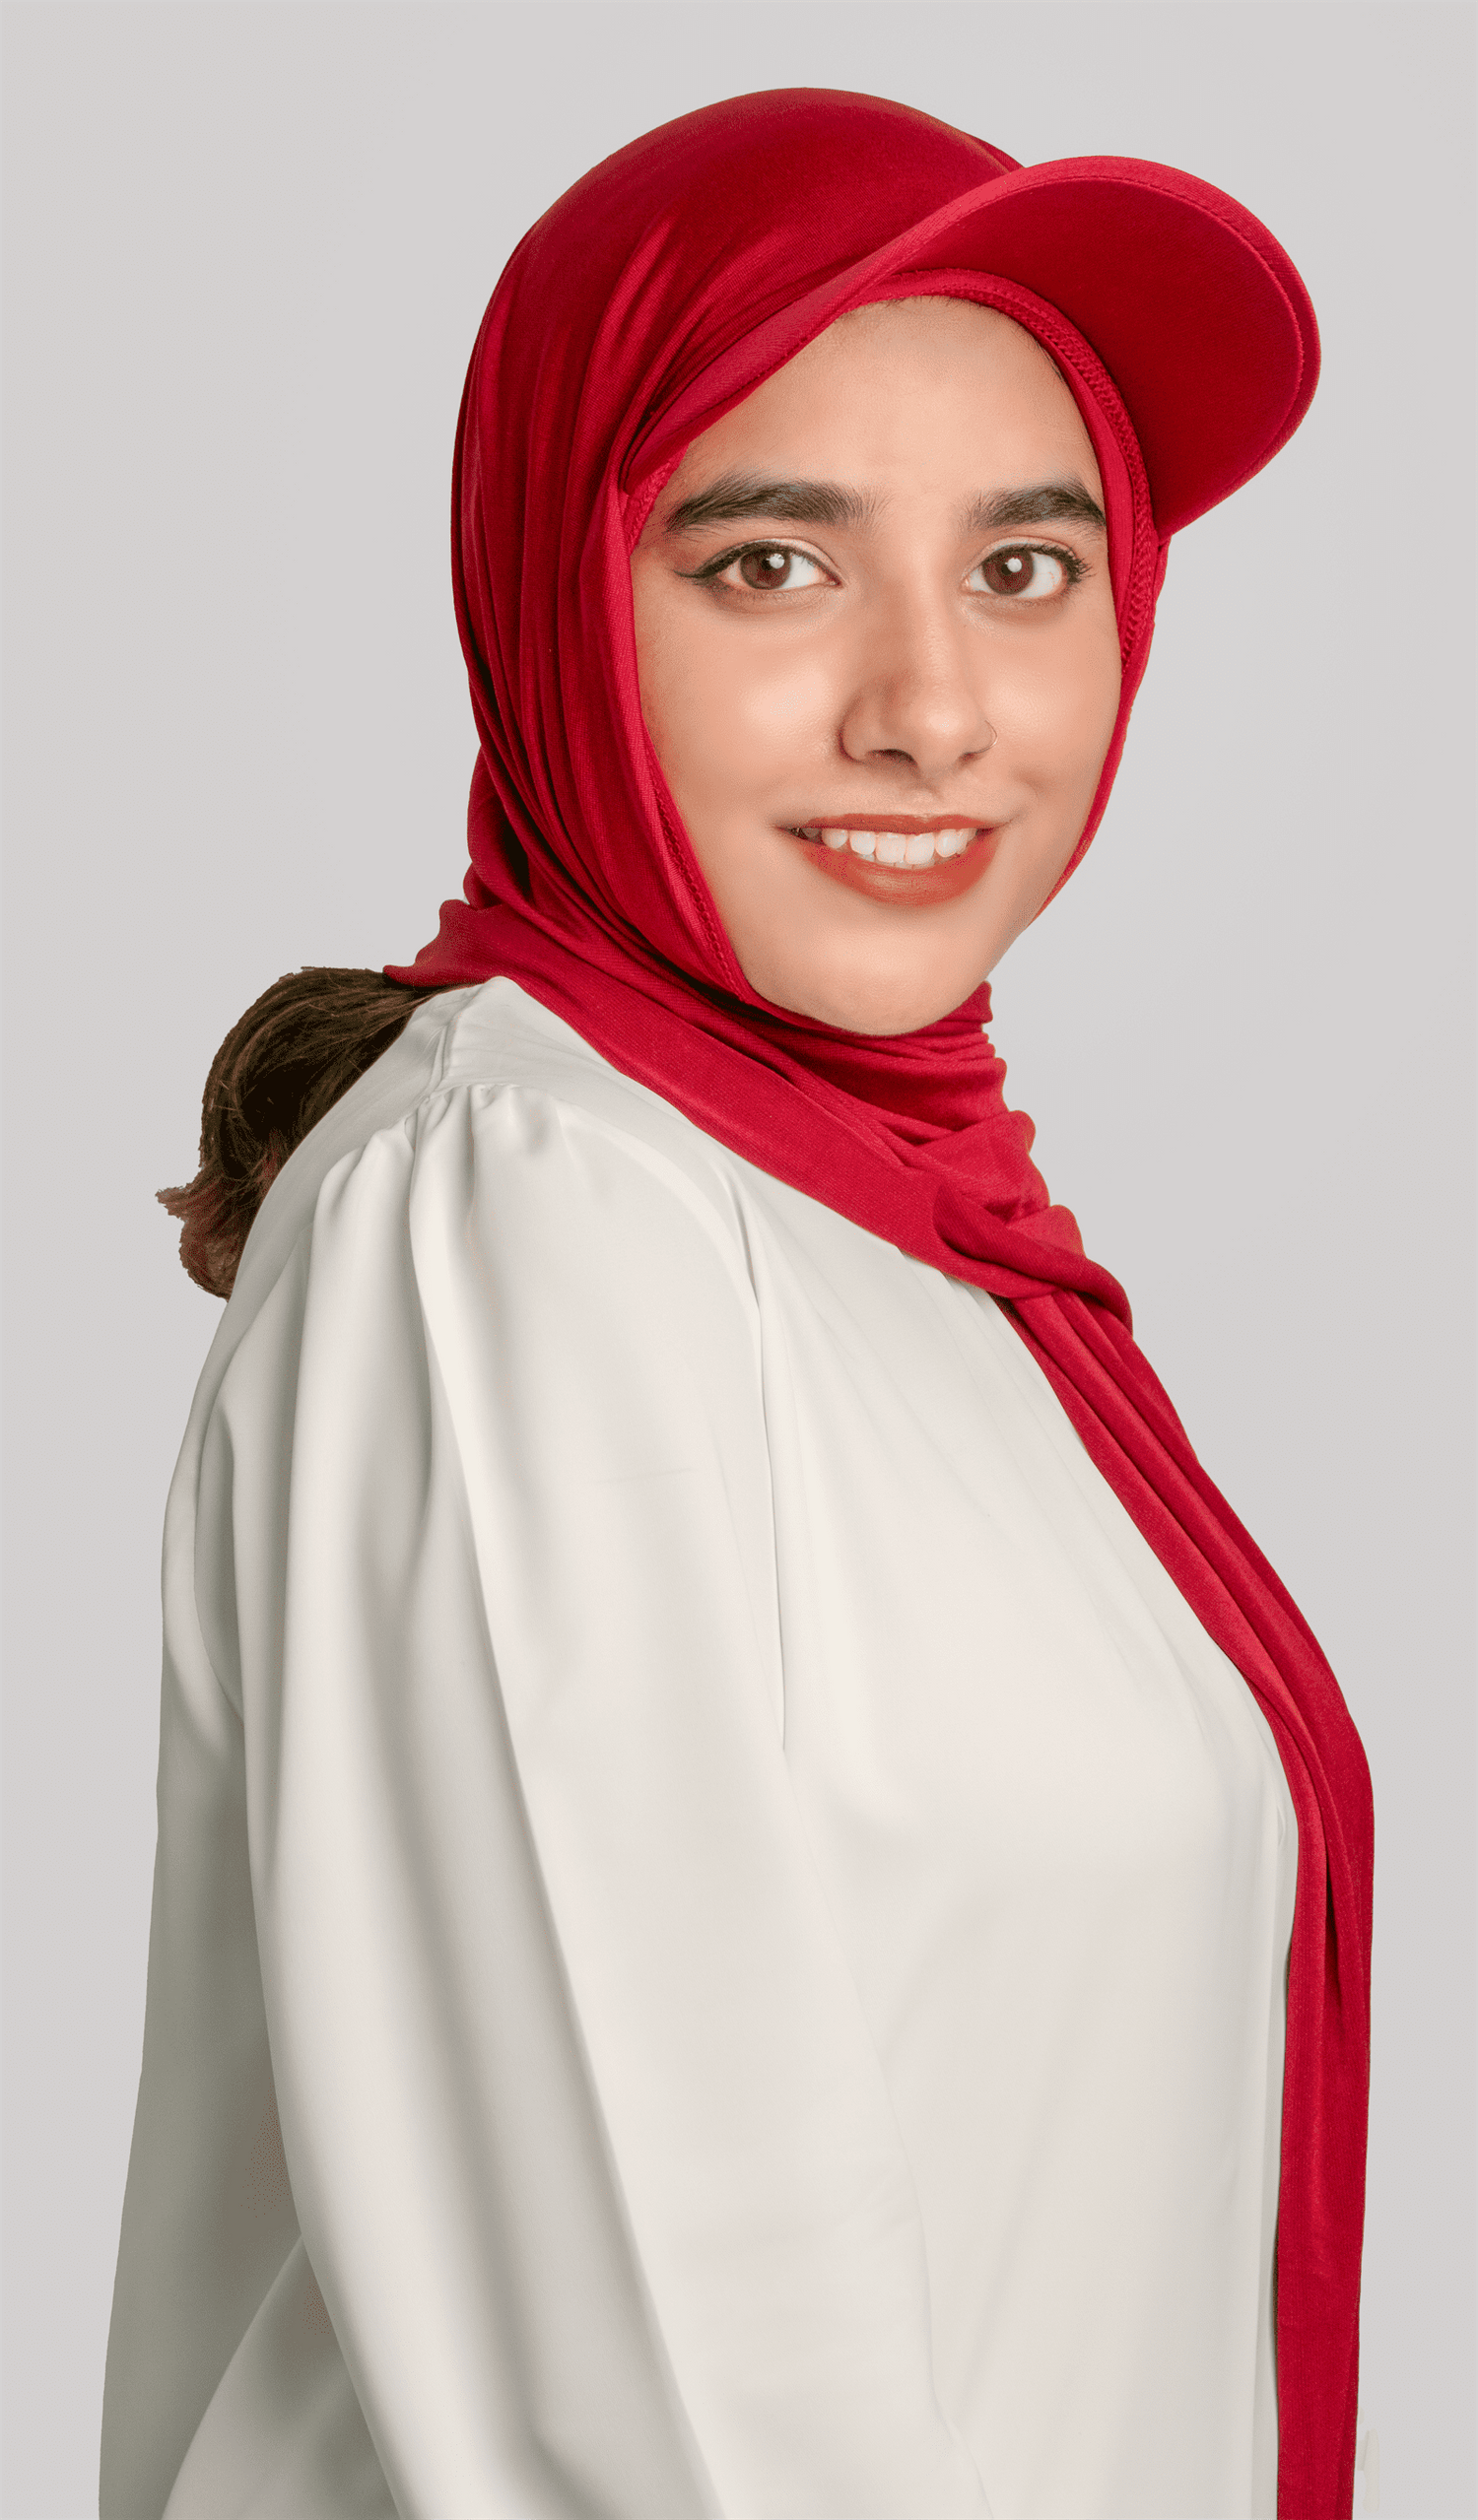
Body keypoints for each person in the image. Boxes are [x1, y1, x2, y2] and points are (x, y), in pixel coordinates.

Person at [101, 90, 1373, 2520]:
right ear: (555, 589)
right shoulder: (524, 1209)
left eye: (1028, 566)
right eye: (775, 561)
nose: (929, 707)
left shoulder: (908, 1234)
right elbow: (657, 2377)